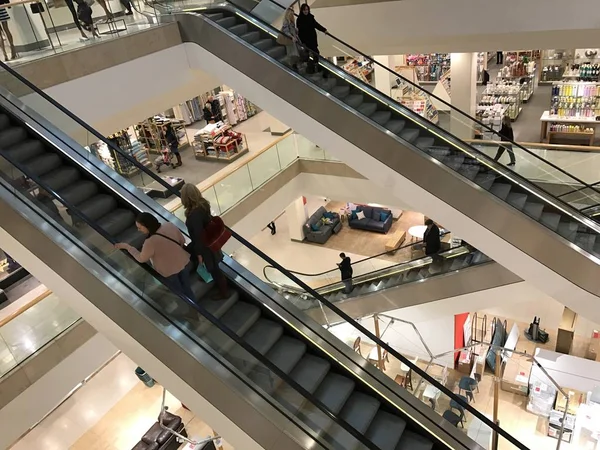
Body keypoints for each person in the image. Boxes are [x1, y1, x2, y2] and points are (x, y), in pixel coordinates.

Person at [115, 212, 195, 302]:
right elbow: (182, 240)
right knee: (187, 287)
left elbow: (141, 258)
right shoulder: (169, 225)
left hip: (168, 272)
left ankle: (189, 311)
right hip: (183, 262)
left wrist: (128, 247)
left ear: (147, 226)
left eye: (140, 227)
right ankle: (195, 306)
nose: (138, 230)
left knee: (178, 293)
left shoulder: (150, 242)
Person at [181, 183, 229, 299]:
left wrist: (199, 254)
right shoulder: (203, 204)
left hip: (205, 246)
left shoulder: (194, 215)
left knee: (213, 268)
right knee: (214, 267)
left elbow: (198, 236)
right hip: (210, 241)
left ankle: (224, 292)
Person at [297, 4, 326, 74]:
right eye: (304, 10)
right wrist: (302, 41)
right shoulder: (299, 19)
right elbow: (300, 31)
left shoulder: (310, 17)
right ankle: (308, 67)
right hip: (305, 40)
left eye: (307, 10)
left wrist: (324, 30)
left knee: (315, 52)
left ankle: (314, 66)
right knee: (309, 53)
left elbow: (316, 25)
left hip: (312, 38)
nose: (306, 11)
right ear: (302, 10)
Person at [281, 6, 300, 71]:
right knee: (292, 53)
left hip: (294, 39)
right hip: (290, 40)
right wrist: (291, 37)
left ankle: (294, 65)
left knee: (295, 53)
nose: (292, 15)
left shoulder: (292, 22)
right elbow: (286, 31)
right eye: (291, 14)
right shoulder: (286, 22)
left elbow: (292, 30)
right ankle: (291, 65)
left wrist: (296, 31)